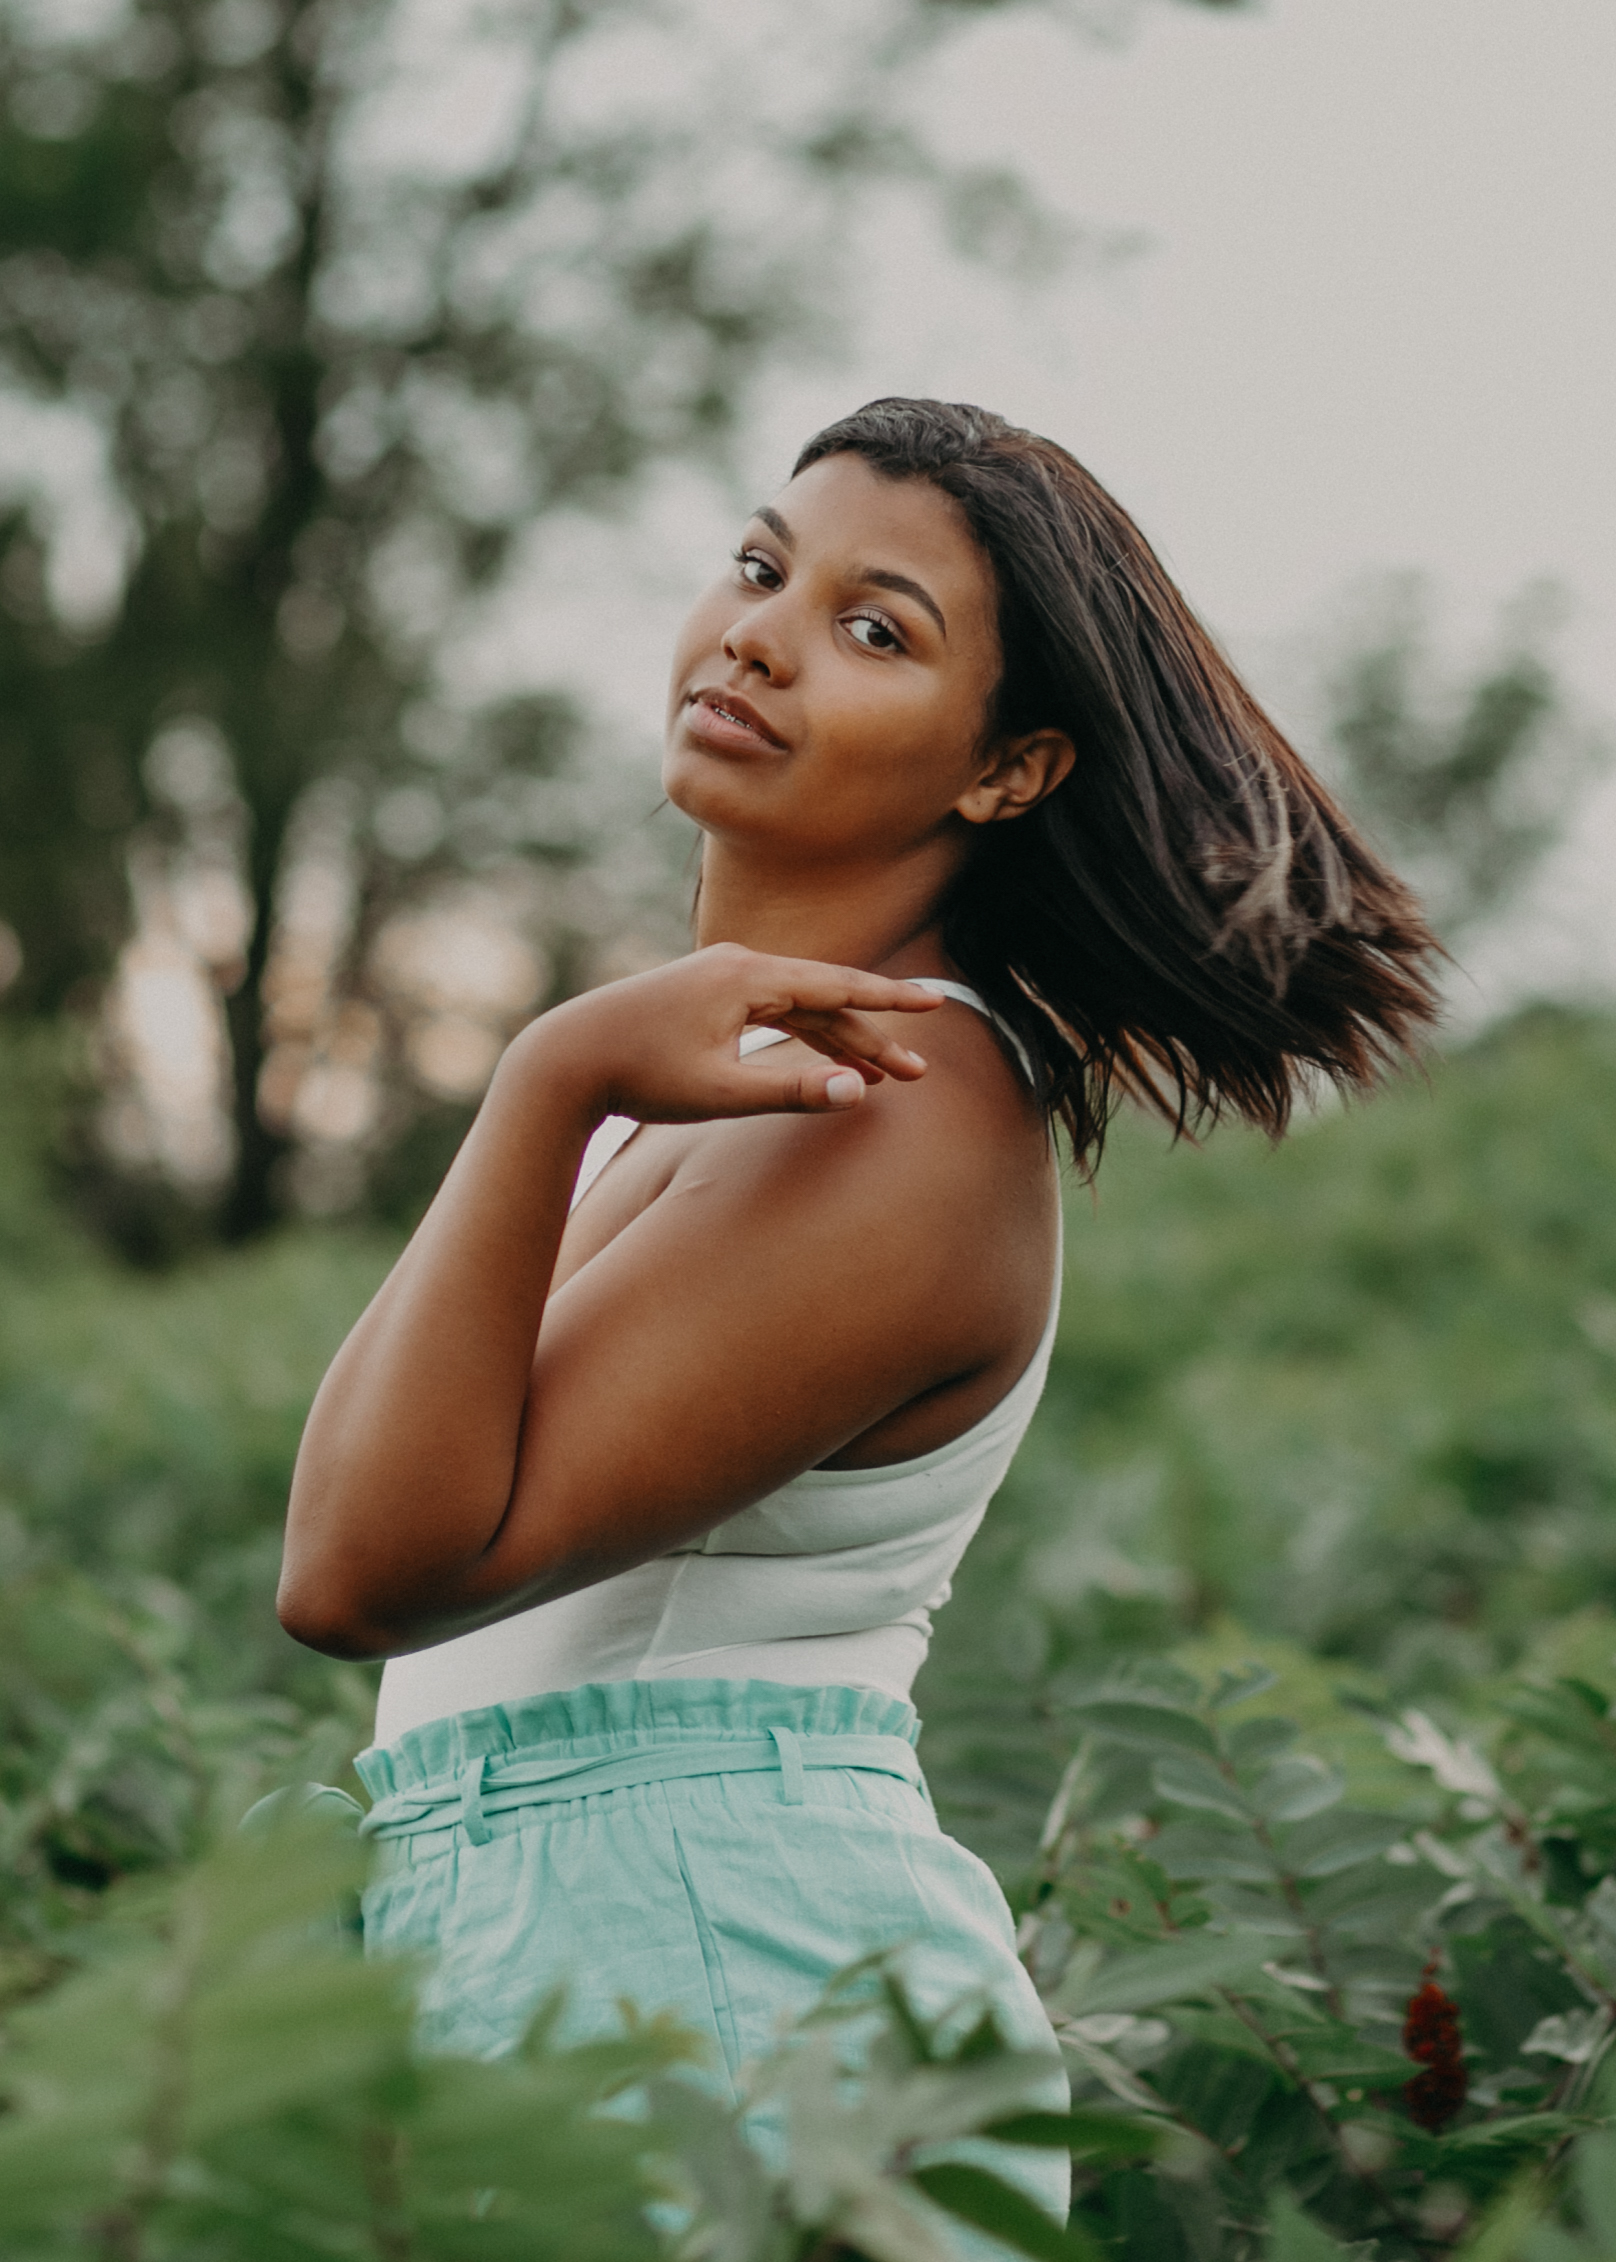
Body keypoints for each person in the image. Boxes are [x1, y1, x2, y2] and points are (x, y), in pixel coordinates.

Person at [277, 398, 1438, 2227]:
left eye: (872, 626)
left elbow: (360, 1565)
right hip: (608, 1960)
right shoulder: (740, 1081)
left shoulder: (901, 1117)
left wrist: (546, 1071)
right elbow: (350, 1501)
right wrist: (571, 1083)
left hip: (735, 1996)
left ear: (1007, 770)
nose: (758, 631)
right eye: (760, 567)